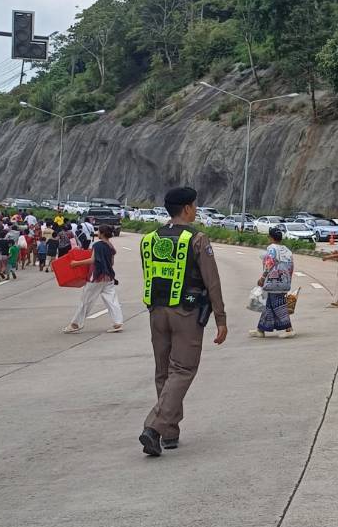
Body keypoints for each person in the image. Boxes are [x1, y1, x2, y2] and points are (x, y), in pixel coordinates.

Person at [139, 186, 228, 457]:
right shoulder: (197, 239)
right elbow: (212, 281)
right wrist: (220, 318)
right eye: (195, 206)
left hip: (157, 312)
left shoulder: (149, 239)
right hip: (186, 313)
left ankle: (169, 433)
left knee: (164, 372)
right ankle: (154, 427)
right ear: (187, 209)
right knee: (183, 369)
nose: (196, 210)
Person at [64, 224, 124, 334]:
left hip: (96, 277)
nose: (97, 233)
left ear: (102, 233)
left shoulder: (97, 245)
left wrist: (76, 263)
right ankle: (117, 323)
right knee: (112, 300)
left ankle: (75, 324)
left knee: (86, 301)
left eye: (99, 231)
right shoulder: (110, 246)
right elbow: (112, 263)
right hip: (108, 277)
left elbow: (93, 260)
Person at [252, 226, 295, 338]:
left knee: (278, 306)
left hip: (273, 282)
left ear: (270, 237)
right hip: (284, 282)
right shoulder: (287, 251)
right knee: (268, 306)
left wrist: (263, 278)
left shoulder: (272, 248)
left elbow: (269, 263)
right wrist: (288, 281)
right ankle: (260, 330)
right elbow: (291, 267)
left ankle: (289, 329)